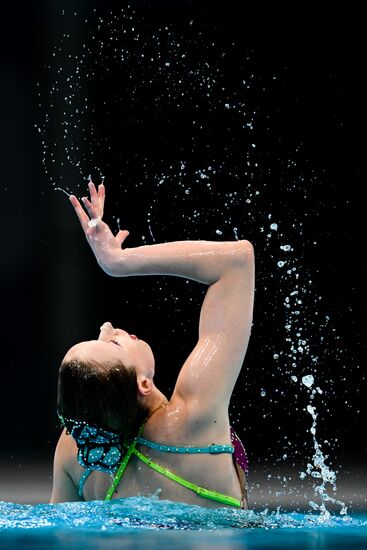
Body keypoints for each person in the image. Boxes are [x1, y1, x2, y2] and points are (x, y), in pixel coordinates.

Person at [51, 181, 254, 508]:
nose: (108, 327)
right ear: (142, 384)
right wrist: (117, 261)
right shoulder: (193, 417)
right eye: (111, 345)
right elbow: (237, 262)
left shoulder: (74, 453)